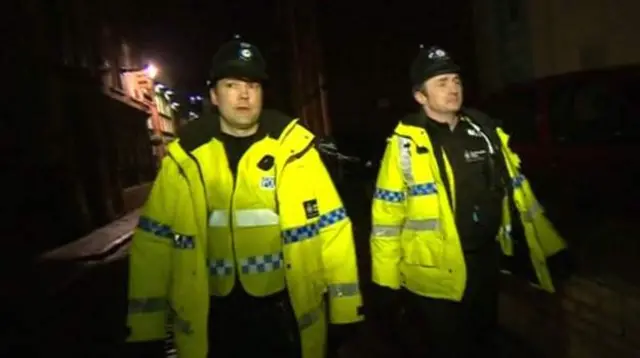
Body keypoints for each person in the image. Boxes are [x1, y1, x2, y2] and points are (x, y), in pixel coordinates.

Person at [125, 38, 364, 358]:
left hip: (284, 315)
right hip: (214, 320)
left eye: (252, 85)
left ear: (262, 94)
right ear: (214, 94)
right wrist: (145, 328)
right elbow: (153, 244)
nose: (243, 94)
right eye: (231, 84)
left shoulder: (296, 152)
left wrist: (345, 311)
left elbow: (333, 232)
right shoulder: (186, 160)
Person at [369, 45, 570, 357]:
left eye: (456, 81)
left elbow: (521, 196)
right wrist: (385, 281)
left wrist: (551, 247)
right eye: (441, 83)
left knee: (483, 343)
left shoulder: (485, 132)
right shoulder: (405, 145)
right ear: (420, 96)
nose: (453, 89)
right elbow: (386, 216)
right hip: (434, 276)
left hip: (484, 264)